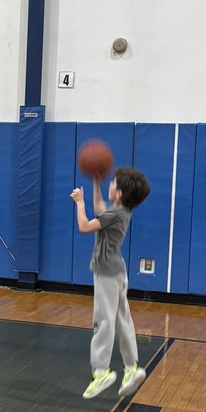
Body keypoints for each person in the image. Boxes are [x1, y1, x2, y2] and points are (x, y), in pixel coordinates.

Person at [70, 166, 151, 400]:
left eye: (113, 183)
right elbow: (101, 209)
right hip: (118, 272)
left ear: (121, 194)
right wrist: (95, 184)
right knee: (121, 319)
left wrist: (79, 203)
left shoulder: (114, 215)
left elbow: (85, 226)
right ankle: (131, 367)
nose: (110, 184)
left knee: (103, 321)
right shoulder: (121, 212)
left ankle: (101, 372)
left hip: (106, 273)